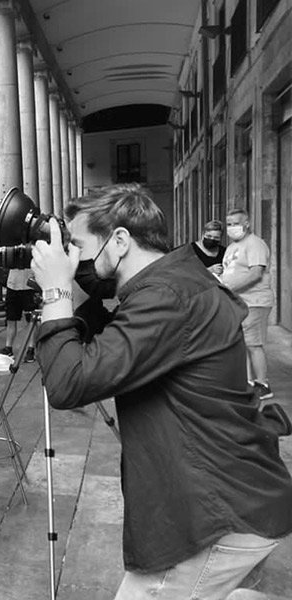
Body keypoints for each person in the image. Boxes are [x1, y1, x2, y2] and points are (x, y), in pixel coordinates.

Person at [30, 183, 292, 600]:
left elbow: (68, 382)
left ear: (119, 241)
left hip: (213, 514)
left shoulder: (167, 298)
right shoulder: (175, 281)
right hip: (241, 495)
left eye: (78, 245)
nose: (73, 257)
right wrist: (82, 288)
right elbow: (108, 334)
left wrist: (55, 290)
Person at [221, 208, 275, 401]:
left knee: (253, 344)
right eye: (228, 223)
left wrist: (229, 287)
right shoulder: (232, 247)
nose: (231, 227)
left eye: (236, 223)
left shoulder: (255, 244)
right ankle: (247, 382)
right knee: (241, 344)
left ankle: (263, 384)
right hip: (239, 302)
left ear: (247, 224)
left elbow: (255, 273)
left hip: (255, 302)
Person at [2, 267, 38, 360]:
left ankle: (31, 349)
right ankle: (8, 347)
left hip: (29, 285)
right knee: (11, 318)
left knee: (31, 319)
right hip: (13, 284)